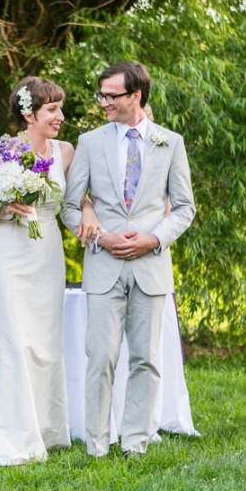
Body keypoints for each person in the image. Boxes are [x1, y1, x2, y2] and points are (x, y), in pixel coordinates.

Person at [0, 76, 101, 466]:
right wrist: (7, 207)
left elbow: (80, 197)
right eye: (52, 109)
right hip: (8, 255)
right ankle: (5, 433)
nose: (60, 116)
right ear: (29, 114)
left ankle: (44, 430)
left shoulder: (66, 152)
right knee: (9, 338)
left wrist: (89, 210)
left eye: (60, 108)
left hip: (47, 257)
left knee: (43, 343)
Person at [62, 61, 195, 459]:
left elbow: (184, 208)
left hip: (151, 267)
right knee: (100, 357)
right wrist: (101, 237)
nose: (103, 102)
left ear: (135, 96)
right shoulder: (90, 142)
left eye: (111, 95)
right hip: (103, 266)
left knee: (146, 360)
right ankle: (97, 446)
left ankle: (135, 444)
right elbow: (70, 207)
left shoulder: (171, 143)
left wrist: (153, 239)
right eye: (101, 94)